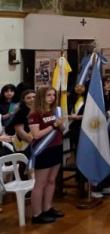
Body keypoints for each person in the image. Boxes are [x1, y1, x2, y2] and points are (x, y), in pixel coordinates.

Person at [28, 87, 65, 224]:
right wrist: (54, 125)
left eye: (53, 95)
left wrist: (60, 125)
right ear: (41, 97)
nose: (52, 97)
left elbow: (63, 129)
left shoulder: (54, 111)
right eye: (48, 95)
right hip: (43, 149)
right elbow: (36, 134)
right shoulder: (35, 114)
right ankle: (37, 214)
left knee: (51, 180)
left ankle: (47, 208)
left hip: (56, 146)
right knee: (40, 183)